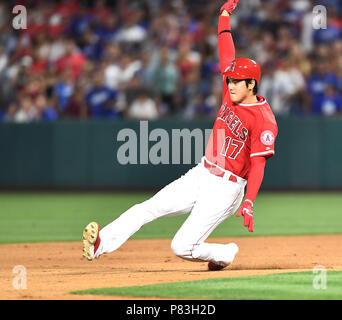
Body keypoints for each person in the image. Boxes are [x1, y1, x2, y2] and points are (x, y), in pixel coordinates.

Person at [82, 0, 278, 271]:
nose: (229, 83)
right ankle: (100, 244)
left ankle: (224, 252)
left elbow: (258, 164)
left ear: (251, 84)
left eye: (235, 81)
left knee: (181, 246)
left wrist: (249, 202)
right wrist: (224, 15)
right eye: (229, 79)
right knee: (147, 208)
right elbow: (225, 49)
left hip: (227, 188)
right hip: (202, 172)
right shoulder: (231, 93)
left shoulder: (264, 120)